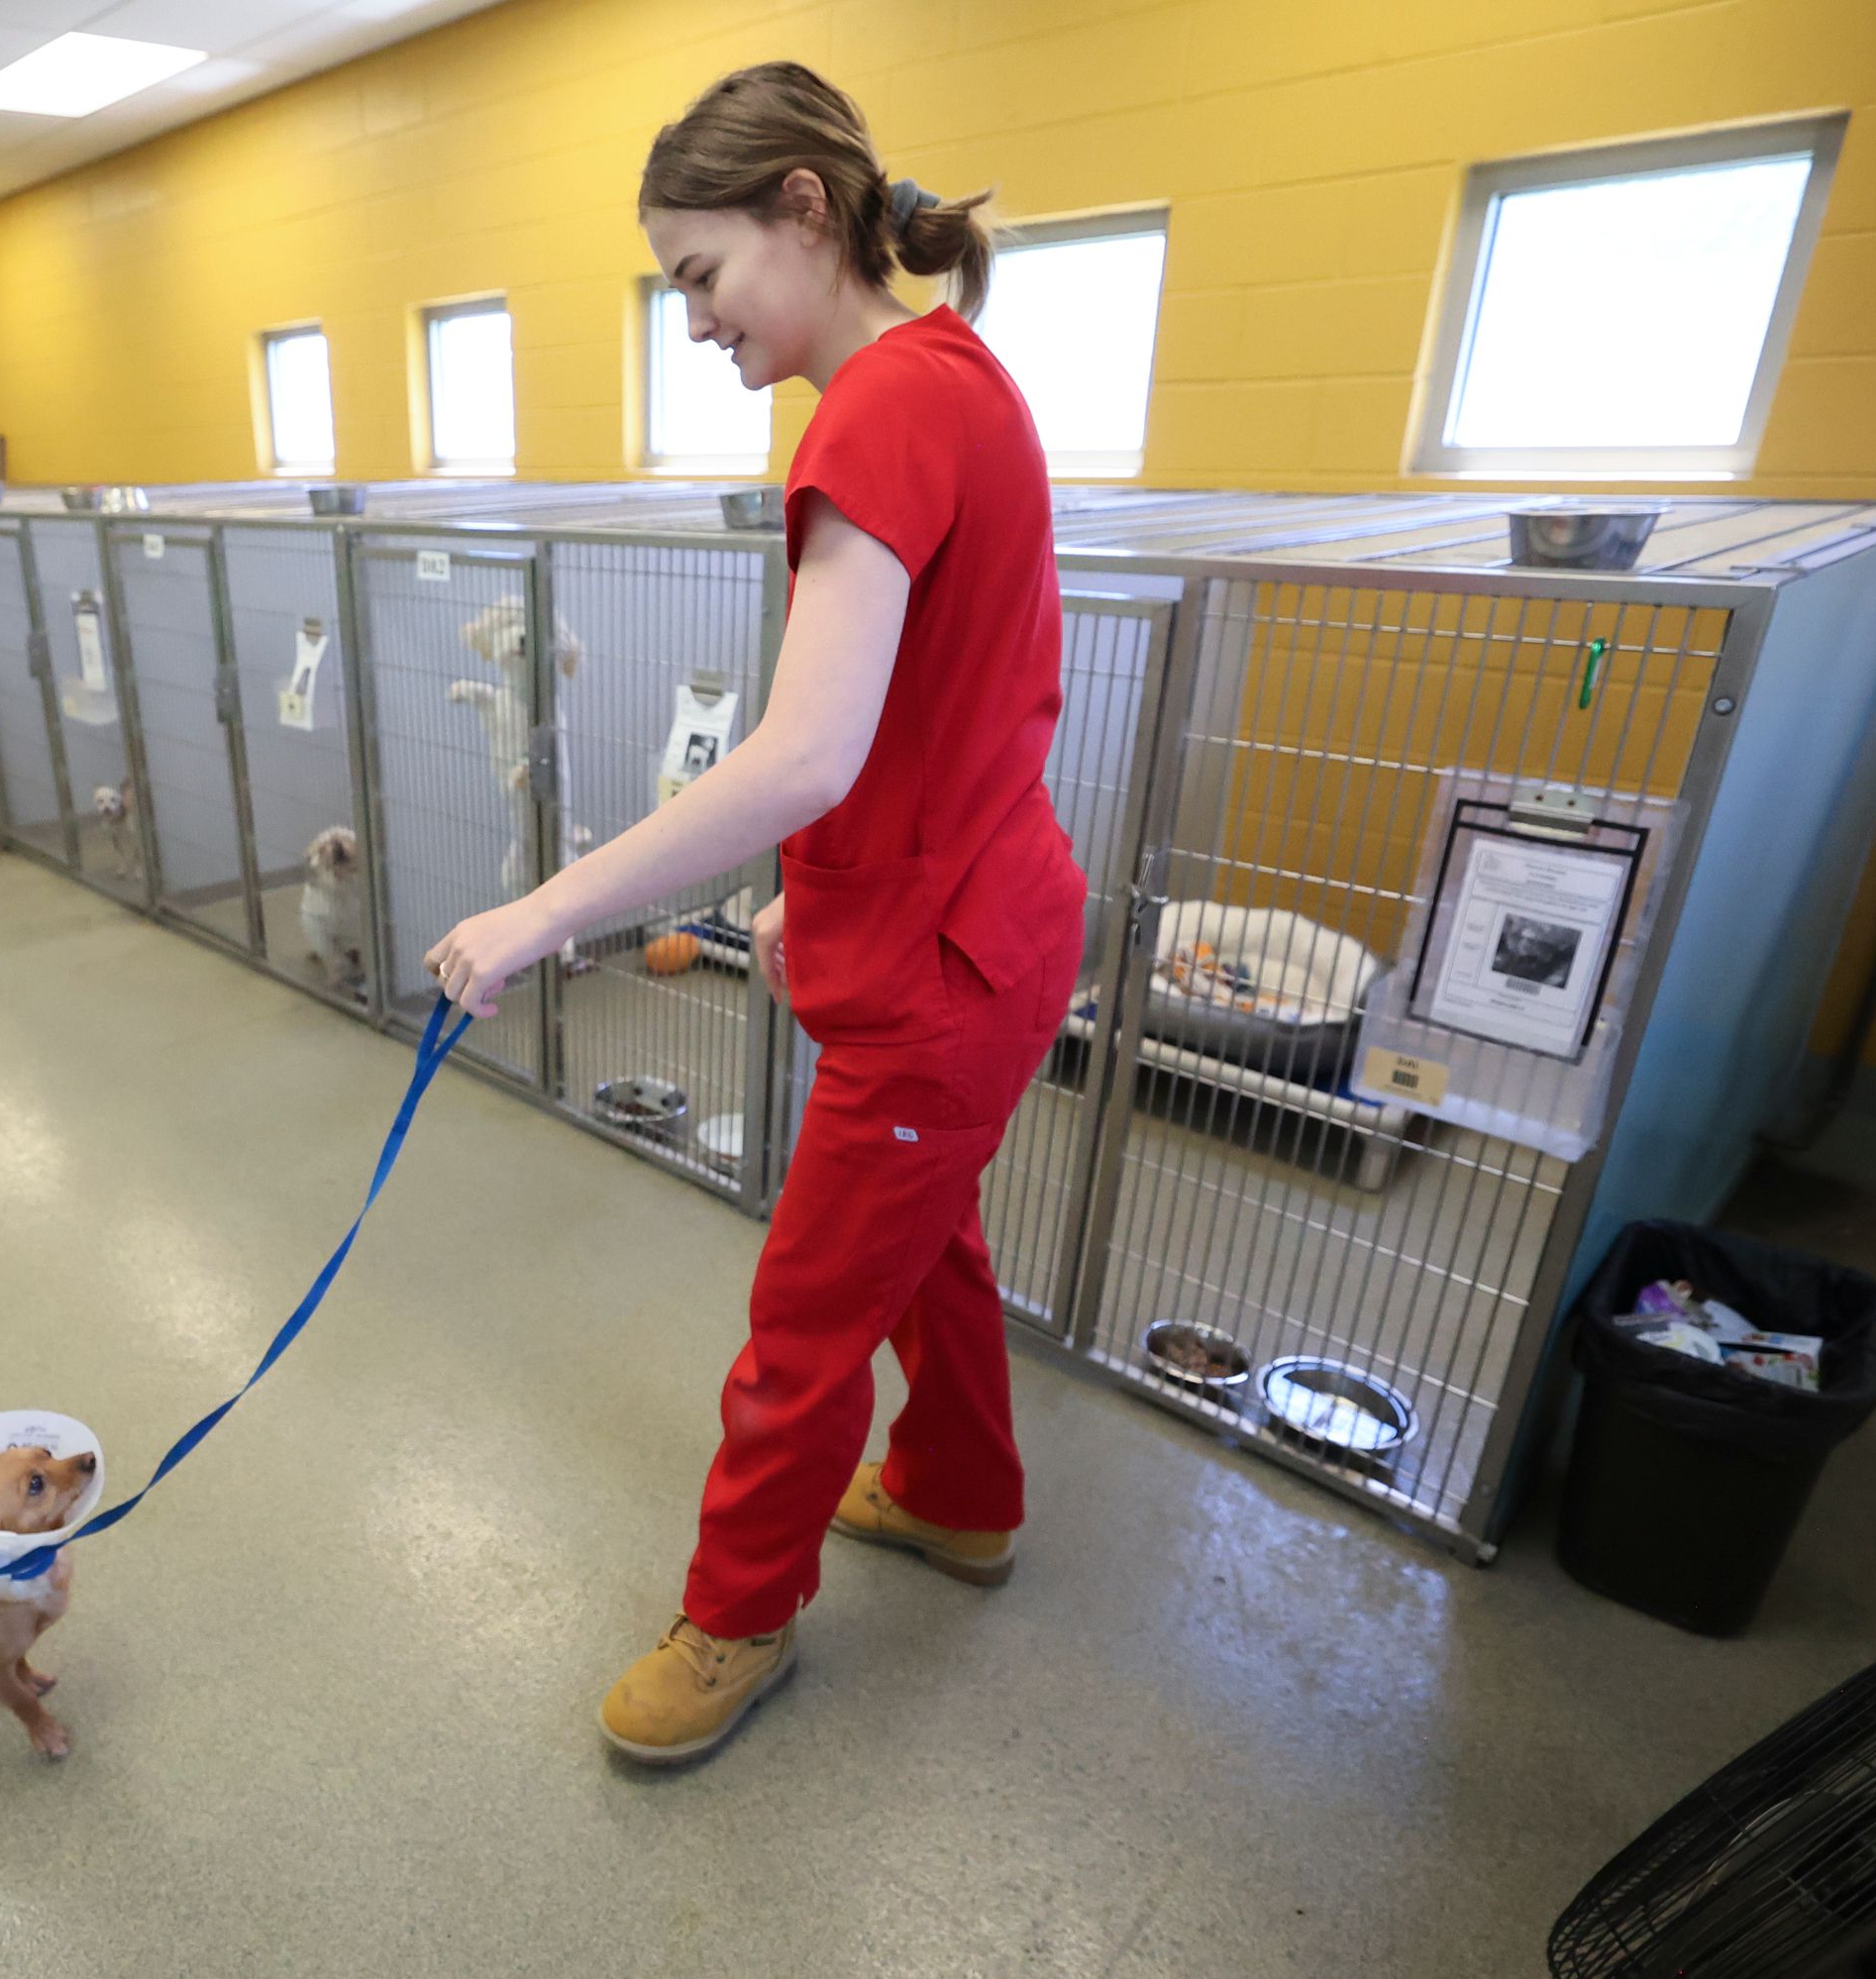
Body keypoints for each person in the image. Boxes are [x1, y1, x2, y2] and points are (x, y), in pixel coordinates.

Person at [424, 61, 1087, 1764]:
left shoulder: (881, 408)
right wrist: (810, 890)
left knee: (802, 1325)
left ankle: (737, 1617)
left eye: (701, 277)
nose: (698, 323)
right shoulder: (938, 382)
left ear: (806, 208)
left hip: (947, 965)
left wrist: (538, 912)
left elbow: (800, 747)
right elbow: (895, 718)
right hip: (964, 924)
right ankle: (959, 1494)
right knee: (925, 1239)